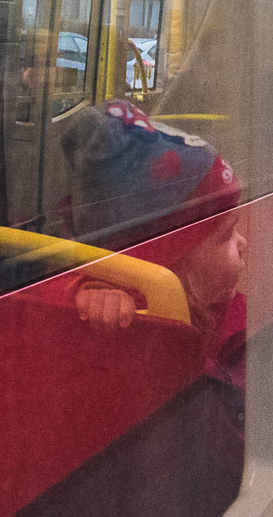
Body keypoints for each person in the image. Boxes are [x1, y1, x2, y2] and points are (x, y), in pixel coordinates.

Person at [57, 99, 247, 384]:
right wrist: (91, 295)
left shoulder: (231, 318)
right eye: (226, 235)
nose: (243, 242)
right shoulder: (133, 334)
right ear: (171, 264)